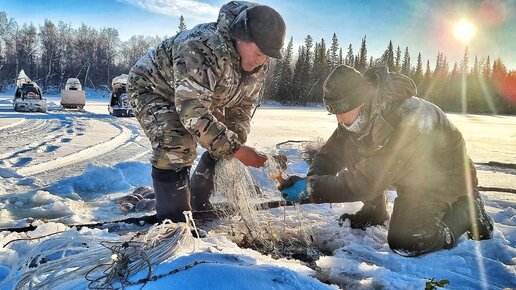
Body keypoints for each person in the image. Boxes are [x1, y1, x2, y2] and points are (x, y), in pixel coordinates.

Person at [279, 65, 494, 257]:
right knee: (352, 148)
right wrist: (311, 180)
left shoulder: (406, 118)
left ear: (360, 100)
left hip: (443, 176)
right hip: (409, 171)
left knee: (407, 240)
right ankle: (375, 212)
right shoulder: (358, 117)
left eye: (343, 111)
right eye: (334, 113)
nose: (340, 119)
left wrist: (311, 189)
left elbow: (368, 181)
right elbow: (331, 153)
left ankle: (468, 209)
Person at [128, 1, 286, 223]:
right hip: (153, 88)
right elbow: (192, 111)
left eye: (267, 56)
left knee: (227, 139)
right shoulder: (201, 47)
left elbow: (243, 106)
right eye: (259, 52)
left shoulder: (258, 65)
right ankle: (174, 222)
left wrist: (235, 142)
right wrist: (237, 150)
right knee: (176, 144)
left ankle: (198, 201)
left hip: (199, 95)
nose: (262, 60)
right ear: (240, 37)